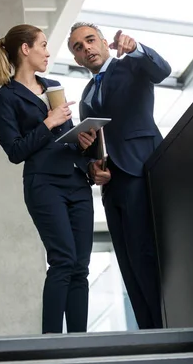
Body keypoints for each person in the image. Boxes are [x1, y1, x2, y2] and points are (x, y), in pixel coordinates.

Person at [0, 24, 103, 334]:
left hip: (76, 181)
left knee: (80, 268)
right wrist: (48, 121)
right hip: (44, 185)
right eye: (42, 45)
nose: (48, 52)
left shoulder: (52, 85)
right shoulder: (4, 98)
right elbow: (15, 151)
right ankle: (51, 345)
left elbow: (62, 137)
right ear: (25, 50)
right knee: (63, 261)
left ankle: (80, 345)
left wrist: (82, 143)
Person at [67, 23, 172, 329]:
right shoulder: (87, 93)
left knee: (146, 255)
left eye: (89, 40)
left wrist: (136, 47)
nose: (86, 48)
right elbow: (97, 142)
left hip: (141, 170)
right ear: (76, 59)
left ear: (104, 42)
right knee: (128, 263)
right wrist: (91, 164)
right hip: (111, 185)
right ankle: (149, 332)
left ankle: (166, 330)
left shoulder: (133, 66)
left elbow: (162, 70)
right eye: (78, 47)